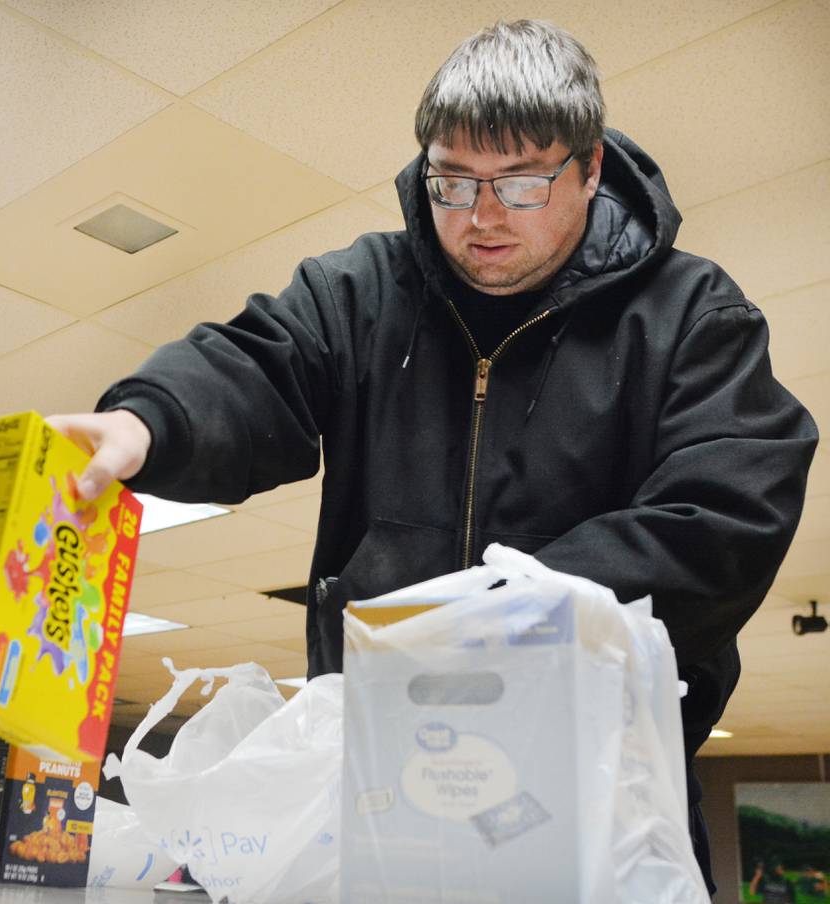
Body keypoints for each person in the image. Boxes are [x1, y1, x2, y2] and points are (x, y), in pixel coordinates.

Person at [48, 19, 817, 895]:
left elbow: (724, 516)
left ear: (591, 166)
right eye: (452, 182)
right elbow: (261, 363)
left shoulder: (691, 319)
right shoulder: (367, 292)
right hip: (384, 788)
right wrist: (152, 422)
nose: (481, 218)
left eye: (522, 183)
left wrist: (487, 622)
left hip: (598, 794)